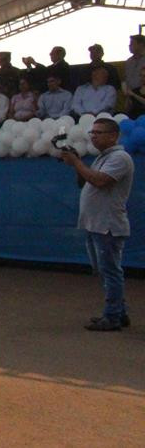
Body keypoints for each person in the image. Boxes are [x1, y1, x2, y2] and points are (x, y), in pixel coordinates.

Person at [59, 118, 133, 331]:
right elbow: (85, 181)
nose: (93, 136)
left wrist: (77, 163)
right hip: (96, 223)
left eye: (99, 132)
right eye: (92, 132)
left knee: (110, 271)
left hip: (107, 223)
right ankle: (119, 312)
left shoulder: (120, 157)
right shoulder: (103, 157)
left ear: (113, 136)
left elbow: (101, 181)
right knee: (104, 270)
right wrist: (77, 163)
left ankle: (112, 316)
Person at [122, 34, 145, 118]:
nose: (129, 46)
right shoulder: (128, 61)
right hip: (130, 95)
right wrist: (125, 90)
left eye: (132, 44)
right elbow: (125, 78)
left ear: (141, 44)